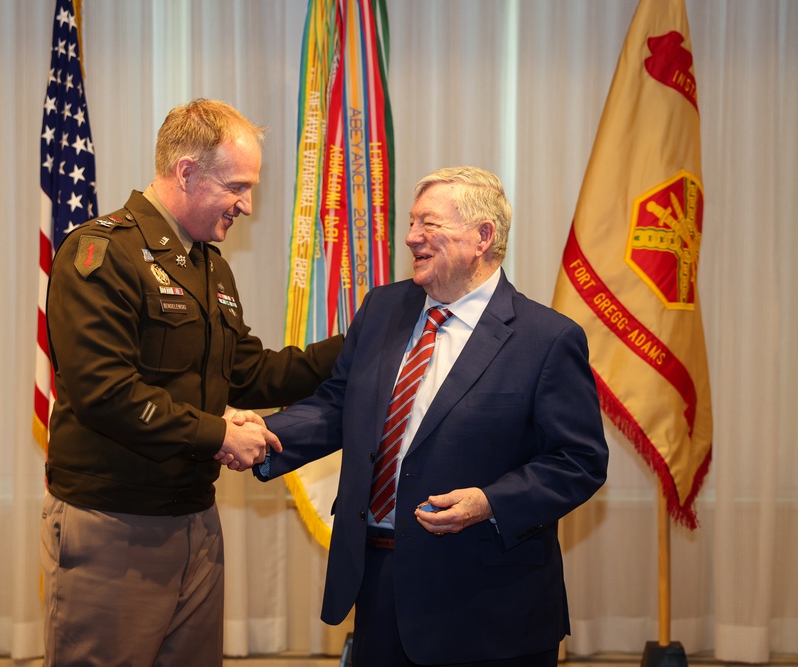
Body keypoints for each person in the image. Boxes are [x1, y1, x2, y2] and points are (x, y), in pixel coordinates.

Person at [257, 166, 609, 667]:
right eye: (411, 223)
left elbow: (580, 461)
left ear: (483, 236)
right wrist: (264, 434)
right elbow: (340, 406)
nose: (410, 237)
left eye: (429, 224)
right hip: (380, 587)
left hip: (489, 603)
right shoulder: (383, 307)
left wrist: (489, 501)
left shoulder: (547, 338)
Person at [40, 98, 343, 667]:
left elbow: (251, 373)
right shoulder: (101, 253)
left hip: (194, 521)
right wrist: (218, 435)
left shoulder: (208, 264)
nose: (247, 206)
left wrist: (362, 343)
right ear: (186, 172)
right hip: (115, 525)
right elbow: (104, 392)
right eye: (237, 187)